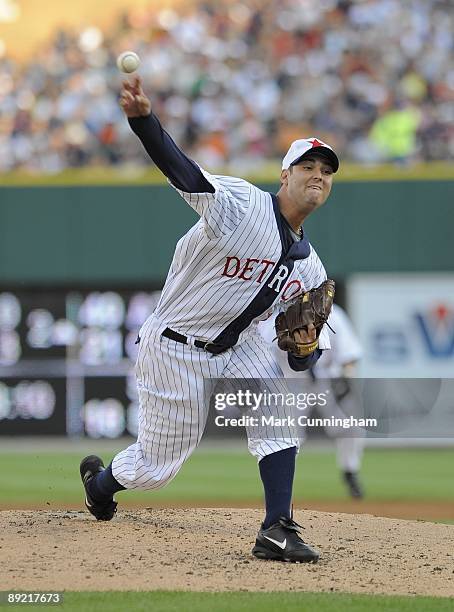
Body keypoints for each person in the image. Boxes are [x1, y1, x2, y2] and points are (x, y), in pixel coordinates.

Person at [79, 76, 340, 563]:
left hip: (240, 346)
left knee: (280, 414)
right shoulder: (242, 205)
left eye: (327, 170)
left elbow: (303, 358)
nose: (318, 175)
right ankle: (100, 484)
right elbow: (184, 172)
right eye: (308, 166)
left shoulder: (312, 268)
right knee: (156, 468)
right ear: (284, 175)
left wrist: (305, 351)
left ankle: (276, 529)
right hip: (177, 344)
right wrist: (143, 122)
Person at [259, 304, 365, 499]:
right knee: (287, 437)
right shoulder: (273, 318)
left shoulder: (334, 316)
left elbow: (349, 356)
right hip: (292, 384)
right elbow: (262, 360)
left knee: (351, 427)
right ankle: (281, 488)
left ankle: (351, 472)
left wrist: (346, 380)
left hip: (328, 381)